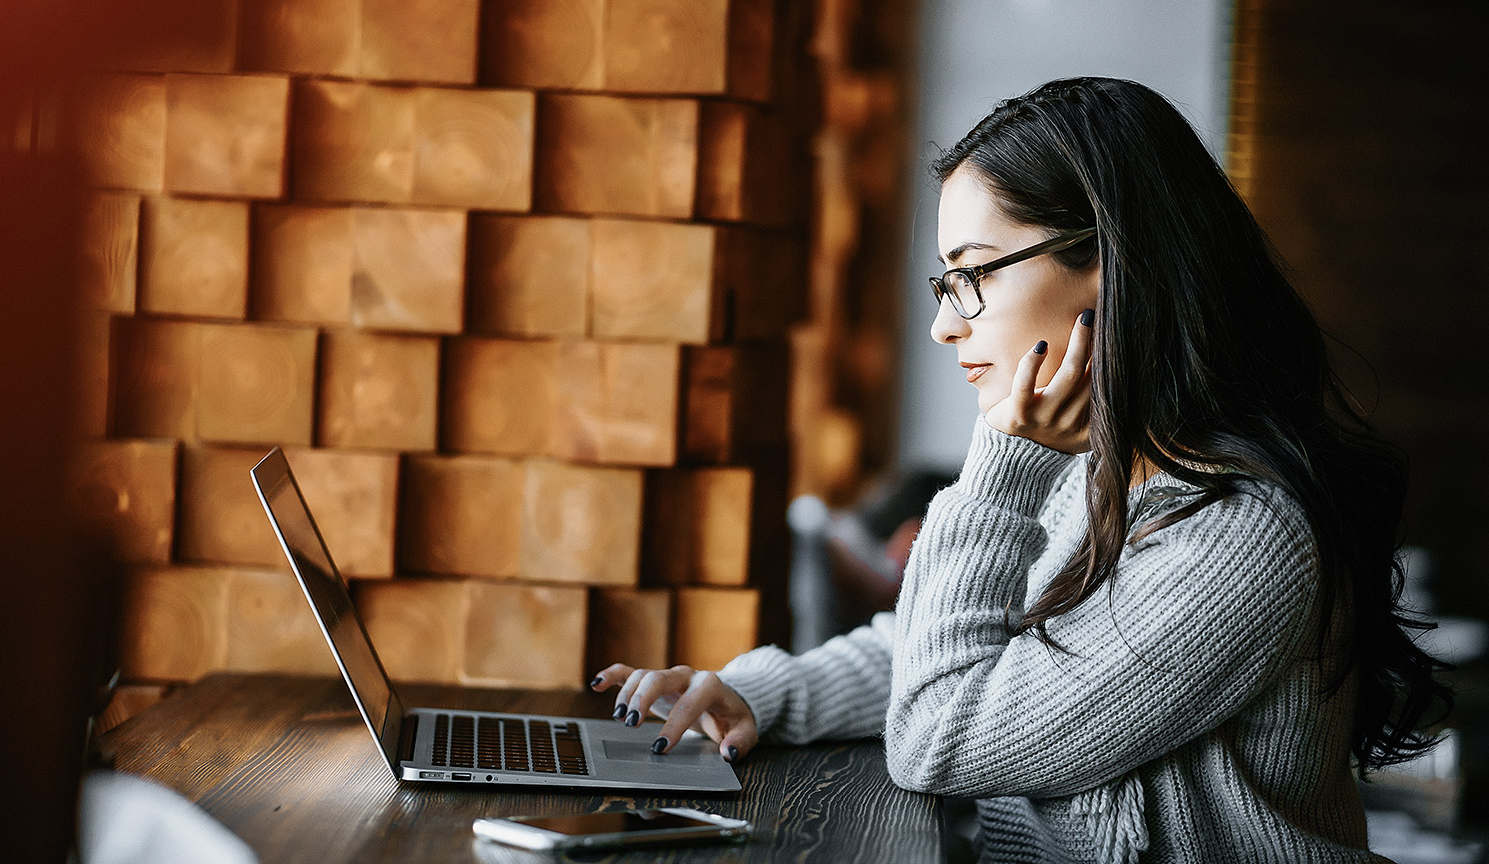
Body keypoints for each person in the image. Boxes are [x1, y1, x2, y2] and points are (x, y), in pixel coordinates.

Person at [589, 77, 1451, 863]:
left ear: (1111, 266)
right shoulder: (1105, 472)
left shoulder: (1244, 536)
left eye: (970, 277)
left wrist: (1004, 466)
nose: (946, 327)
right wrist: (755, 694)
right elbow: (958, 650)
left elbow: (941, 735)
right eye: (945, 284)